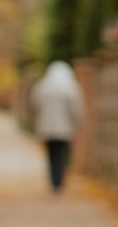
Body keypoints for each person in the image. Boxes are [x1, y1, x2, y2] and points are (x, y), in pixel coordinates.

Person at [31, 61, 84, 192]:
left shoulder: (42, 86)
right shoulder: (71, 87)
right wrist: (78, 124)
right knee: (62, 154)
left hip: (46, 127)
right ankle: (59, 182)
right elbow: (76, 109)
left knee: (51, 154)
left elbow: (34, 105)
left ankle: (53, 181)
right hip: (65, 129)